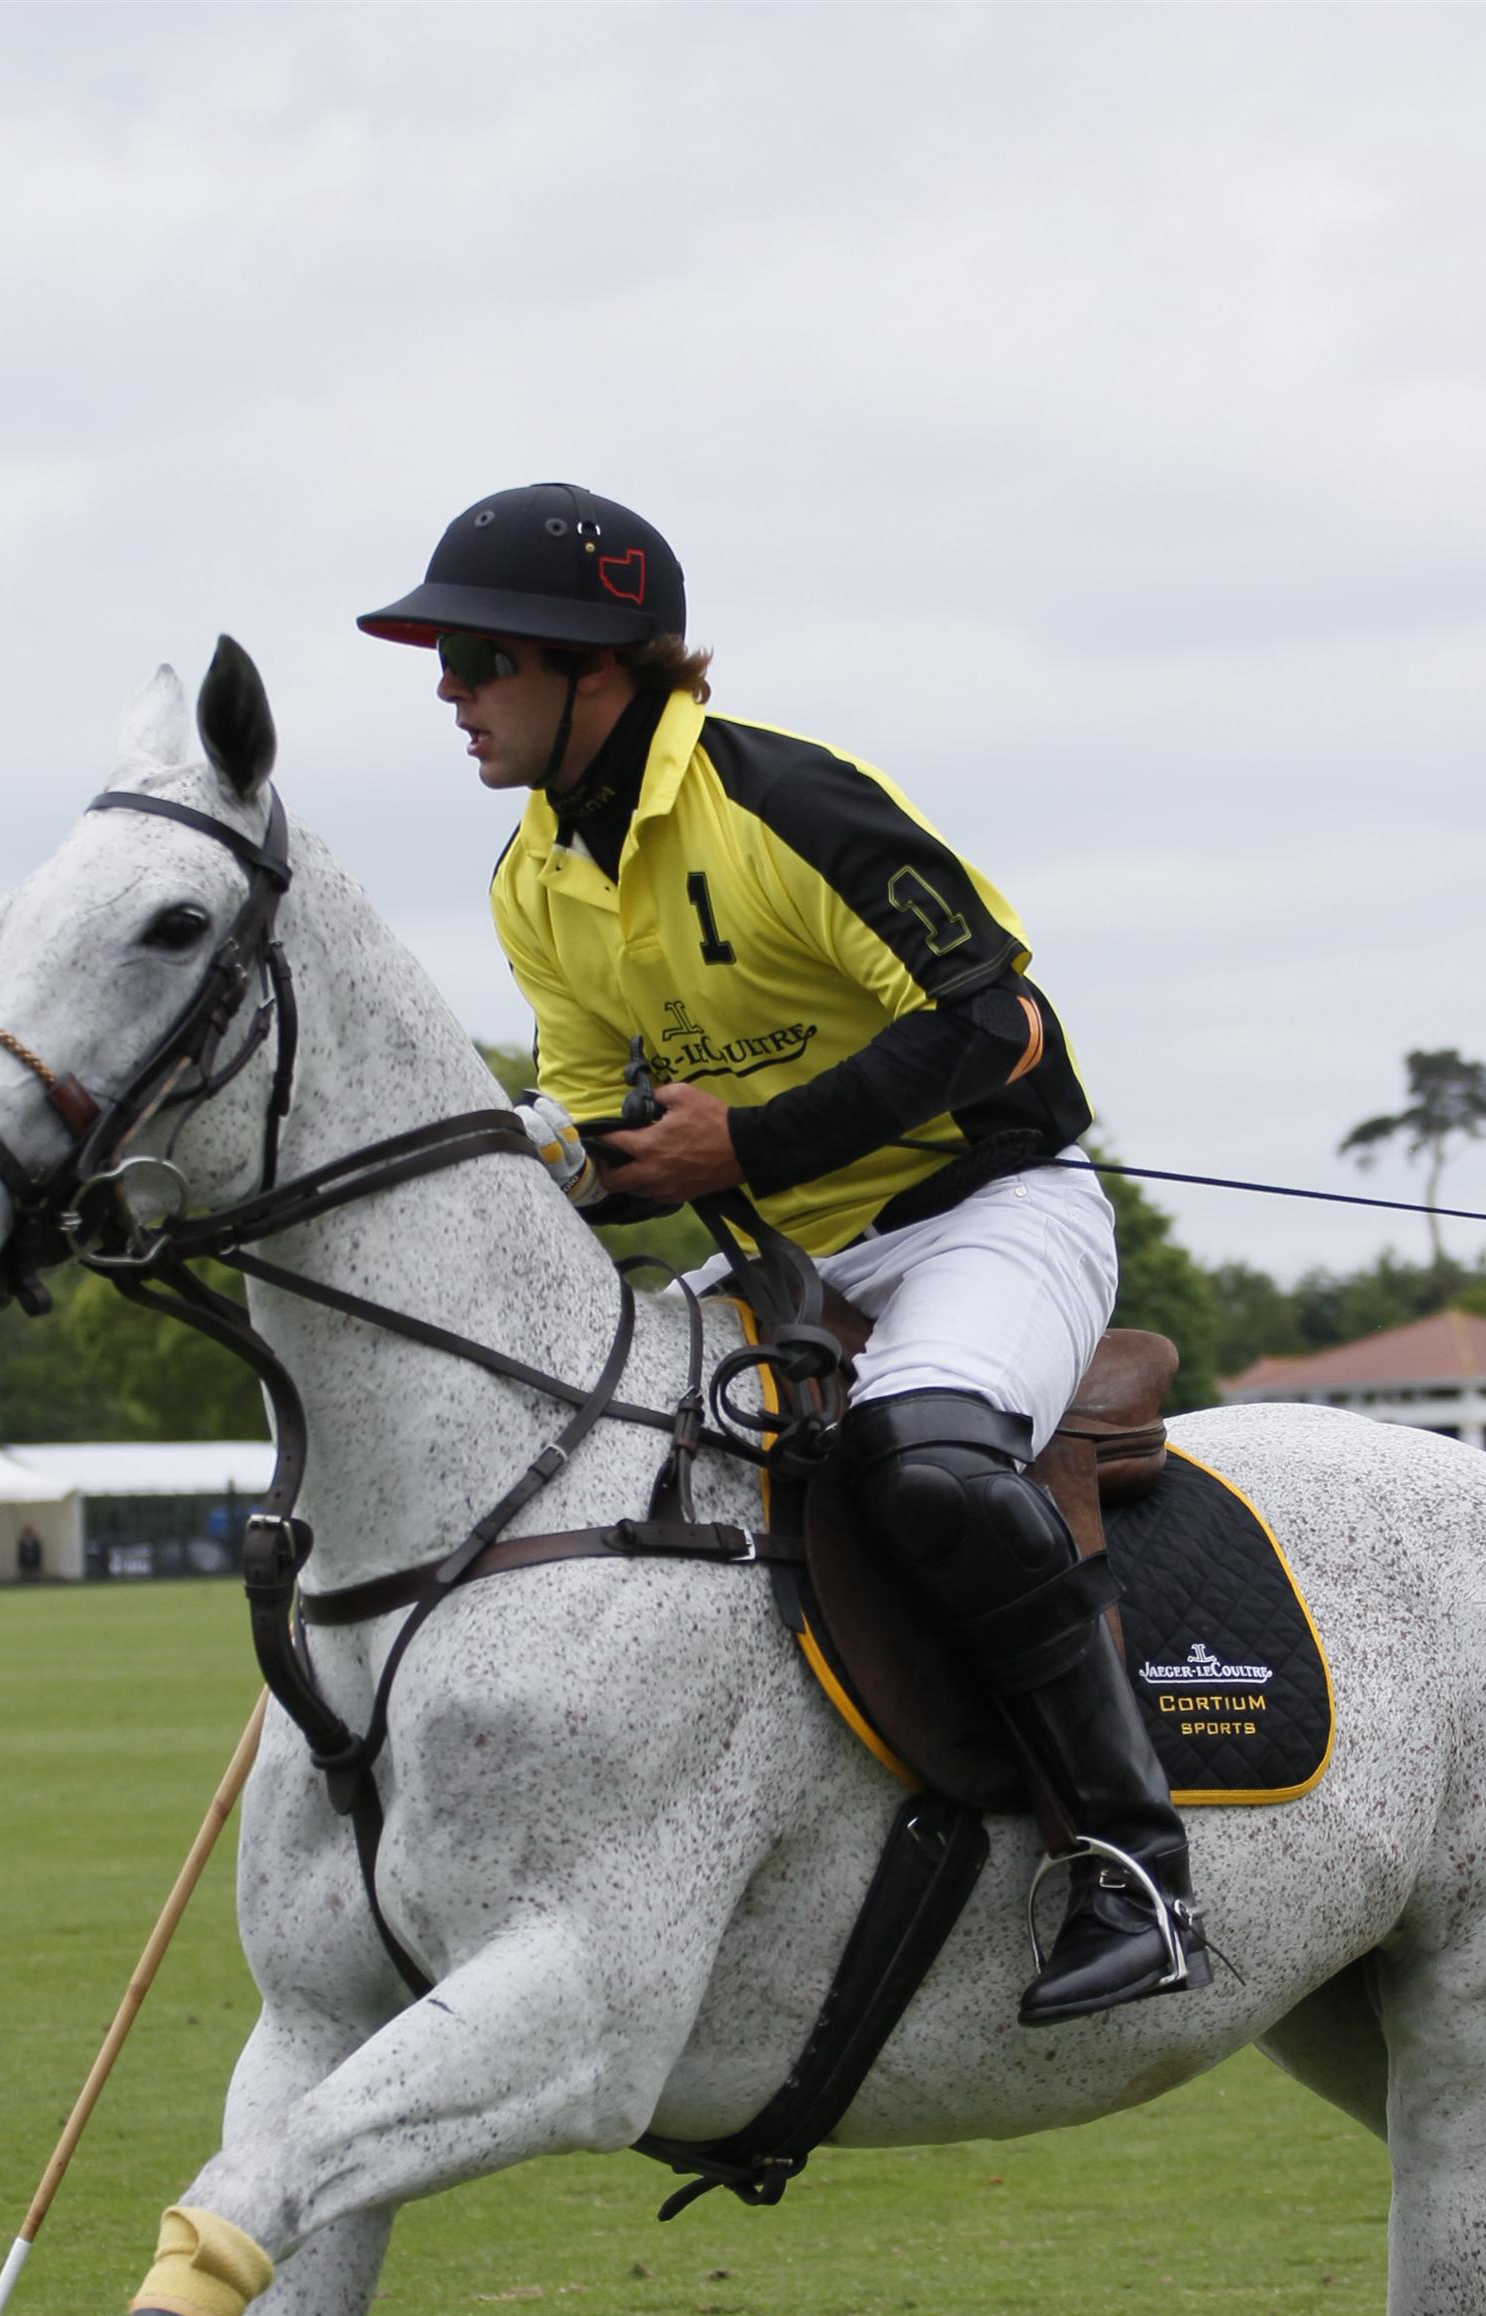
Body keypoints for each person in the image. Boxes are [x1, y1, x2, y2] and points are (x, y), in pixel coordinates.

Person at [357, 483, 1206, 2017]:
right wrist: (521, 1165)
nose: (448, 691)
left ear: (597, 669)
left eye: (480, 657)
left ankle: (1134, 1863)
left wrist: (744, 1149)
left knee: (931, 1461)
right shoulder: (532, 876)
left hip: (985, 1218)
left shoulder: (784, 803)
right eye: (447, 659)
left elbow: (1000, 1024)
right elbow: (608, 1118)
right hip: (783, 1270)